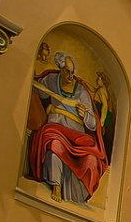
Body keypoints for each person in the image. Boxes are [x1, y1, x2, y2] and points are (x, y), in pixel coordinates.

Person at [26, 53, 110, 205]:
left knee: (91, 159)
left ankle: (77, 197)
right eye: (66, 71)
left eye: (72, 72)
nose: (70, 76)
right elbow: (38, 88)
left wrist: (85, 115)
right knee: (55, 144)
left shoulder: (81, 92)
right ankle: (56, 186)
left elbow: (92, 124)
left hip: (77, 136)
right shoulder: (51, 81)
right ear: (60, 68)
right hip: (56, 128)